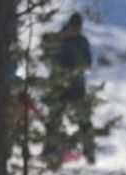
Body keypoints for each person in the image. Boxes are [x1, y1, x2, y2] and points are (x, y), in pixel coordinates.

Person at [43, 12, 94, 165]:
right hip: (59, 86)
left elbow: (88, 61)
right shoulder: (59, 40)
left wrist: (80, 67)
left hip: (78, 87)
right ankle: (49, 150)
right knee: (54, 119)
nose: (76, 30)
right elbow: (50, 59)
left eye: (78, 28)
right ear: (69, 26)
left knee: (84, 120)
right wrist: (61, 74)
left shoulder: (82, 41)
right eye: (74, 27)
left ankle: (88, 150)